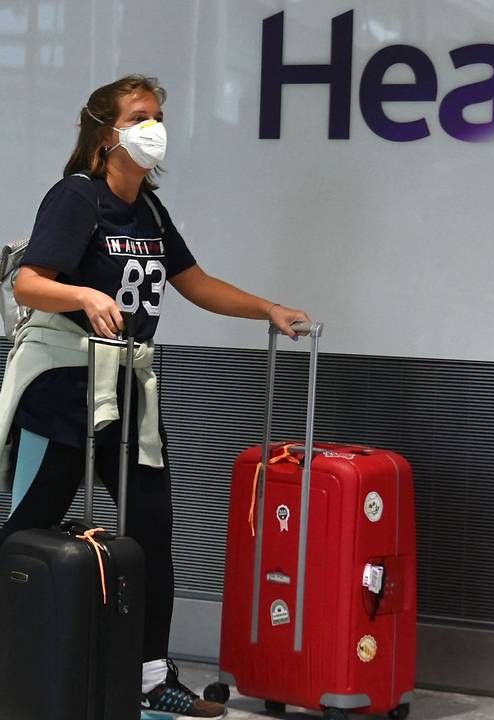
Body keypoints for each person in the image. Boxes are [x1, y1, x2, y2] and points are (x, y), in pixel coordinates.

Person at [0, 75, 307, 718]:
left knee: (152, 531)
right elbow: (29, 283)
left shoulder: (150, 212)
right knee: (27, 528)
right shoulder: (76, 199)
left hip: (128, 388)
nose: (155, 127)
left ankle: (150, 676)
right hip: (62, 387)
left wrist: (266, 309)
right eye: (141, 116)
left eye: (159, 115)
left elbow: (193, 283)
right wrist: (83, 295)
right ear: (105, 133)